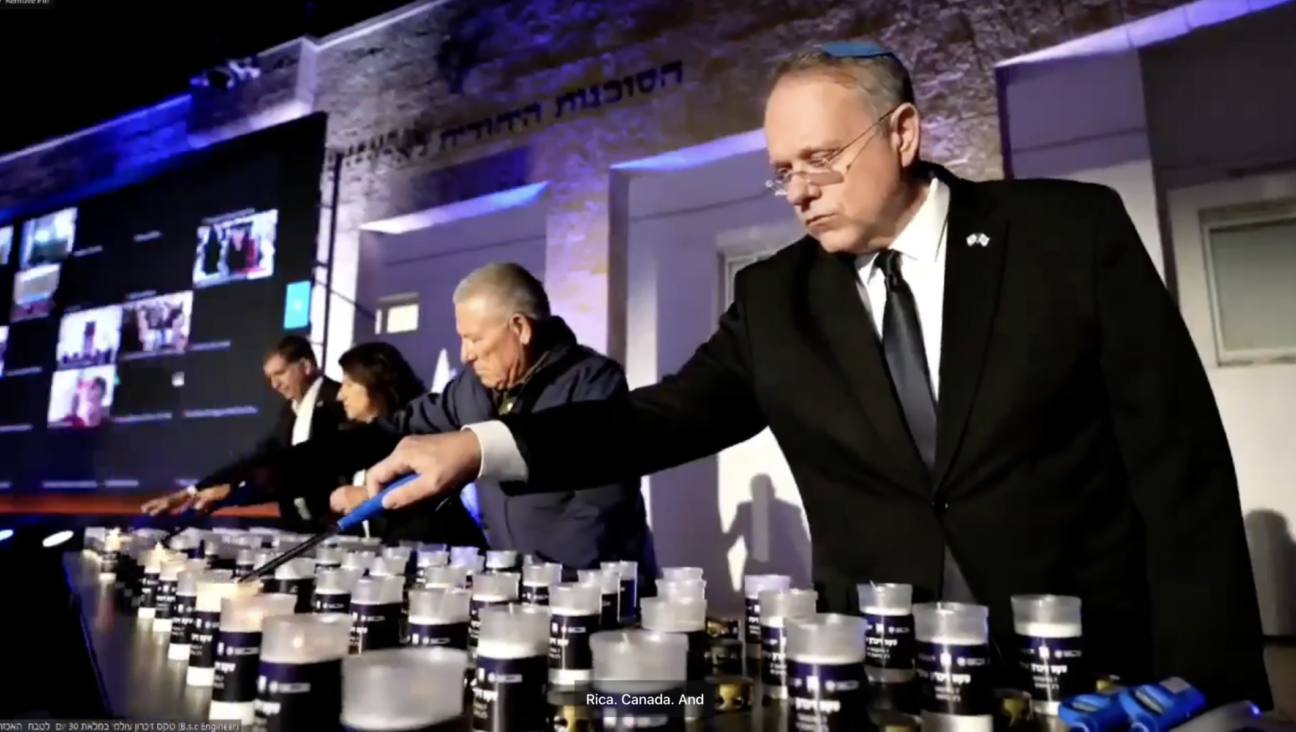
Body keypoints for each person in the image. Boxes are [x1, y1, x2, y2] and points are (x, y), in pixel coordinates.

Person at [359, 42, 1269, 705]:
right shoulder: (777, 297)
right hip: (885, 678)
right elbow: (660, 417)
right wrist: (480, 447)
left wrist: (1210, 678)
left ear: (903, 131)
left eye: (820, 161)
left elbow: (1177, 461)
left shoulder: (1068, 235)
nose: (798, 192)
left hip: (1089, 667)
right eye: (781, 173)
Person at [194, 262, 656, 581]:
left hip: (594, 595)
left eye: (474, 338)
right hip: (517, 592)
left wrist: (538, 587)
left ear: (519, 328)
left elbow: (599, 510)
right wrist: (253, 482)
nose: (465, 353)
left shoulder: (595, 383)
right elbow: (384, 435)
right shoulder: (472, 388)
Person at [140, 335, 348, 531]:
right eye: (270, 378)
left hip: (337, 529)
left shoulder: (340, 402)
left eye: (280, 373)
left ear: (306, 366)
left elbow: (309, 473)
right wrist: (190, 492)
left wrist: (232, 492)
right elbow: (255, 460)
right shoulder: (289, 411)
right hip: (299, 528)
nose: (274, 385)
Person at [329, 341, 486, 548]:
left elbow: (425, 514)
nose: (340, 395)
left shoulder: (419, 438)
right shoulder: (351, 439)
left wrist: (370, 499)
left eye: (349, 384)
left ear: (374, 383)